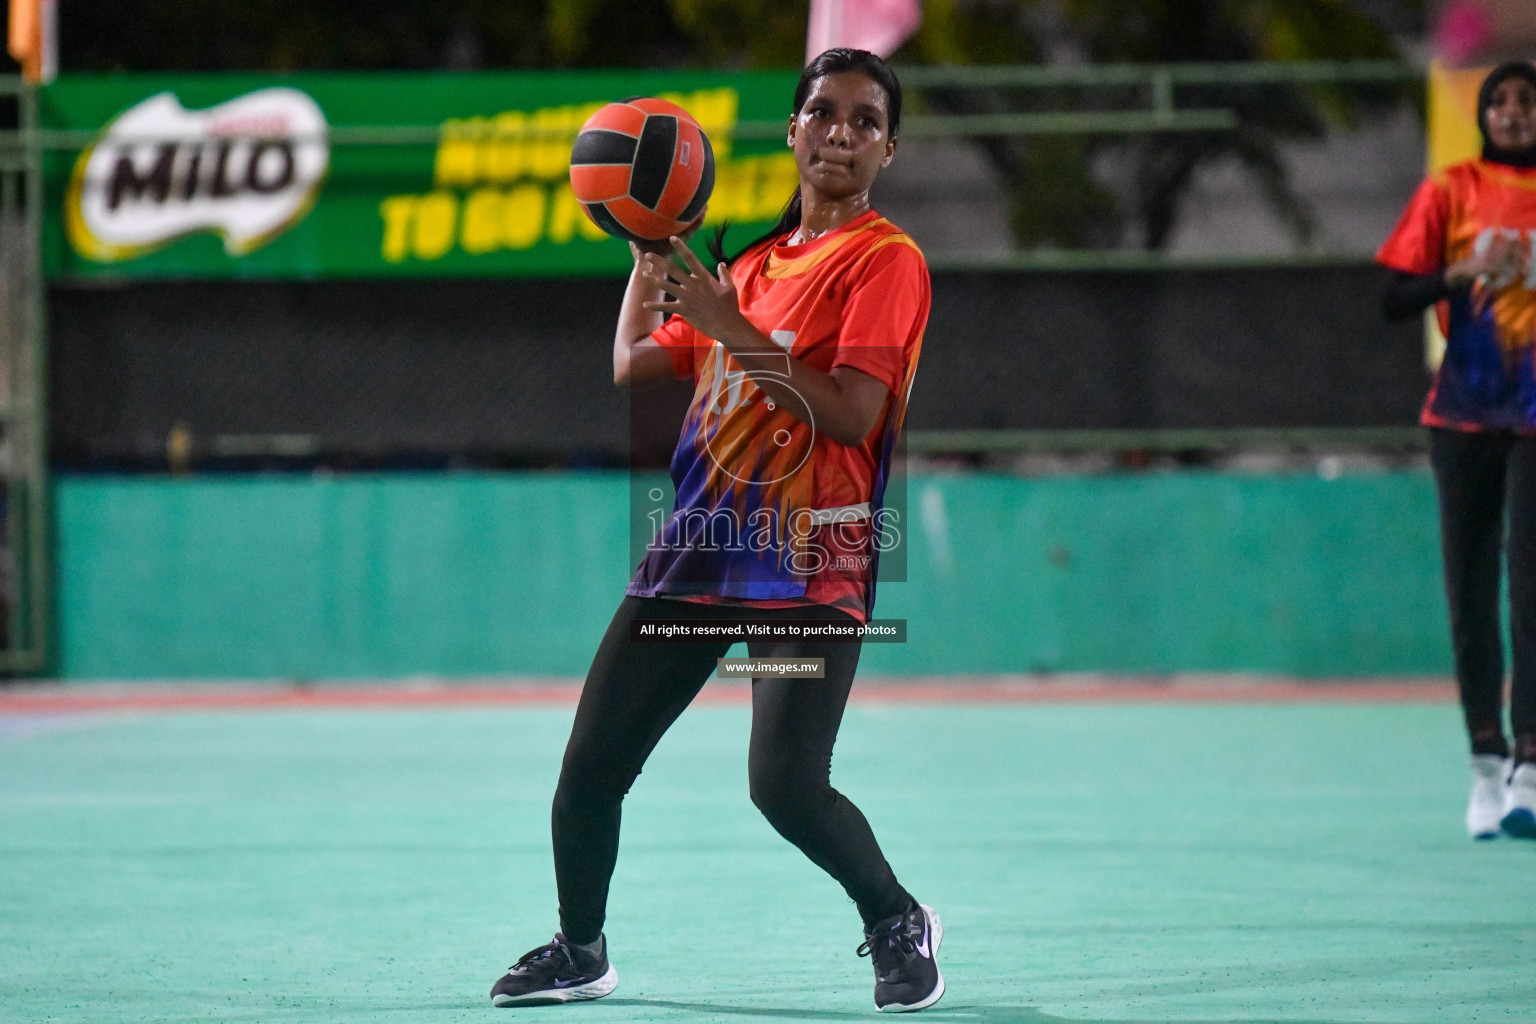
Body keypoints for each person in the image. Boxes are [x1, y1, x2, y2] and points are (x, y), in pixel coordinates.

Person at [490, 48, 943, 1012]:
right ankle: (581, 950)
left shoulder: (886, 263)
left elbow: (853, 416)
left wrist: (731, 326)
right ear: (792, 130)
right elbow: (630, 365)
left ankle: (895, 917)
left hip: (811, 564)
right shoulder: (748, 266)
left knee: (783, 784)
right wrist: (652, 253)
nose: (841, 134)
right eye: (824, 113)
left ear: (889, 150)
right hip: (697, 558)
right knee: (589, 771)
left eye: (866, 122)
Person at [1378, 59, 1536, 839]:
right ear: (1482, 114)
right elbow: (1392, 297)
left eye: (1526, 101)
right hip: (1465, 413)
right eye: (1500, 101)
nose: (1513, 112)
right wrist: (1460, 270)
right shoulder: (1452, 190)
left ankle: (1530, 767)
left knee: (1532, 590)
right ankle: (1485, 765)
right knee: (1470, 595)